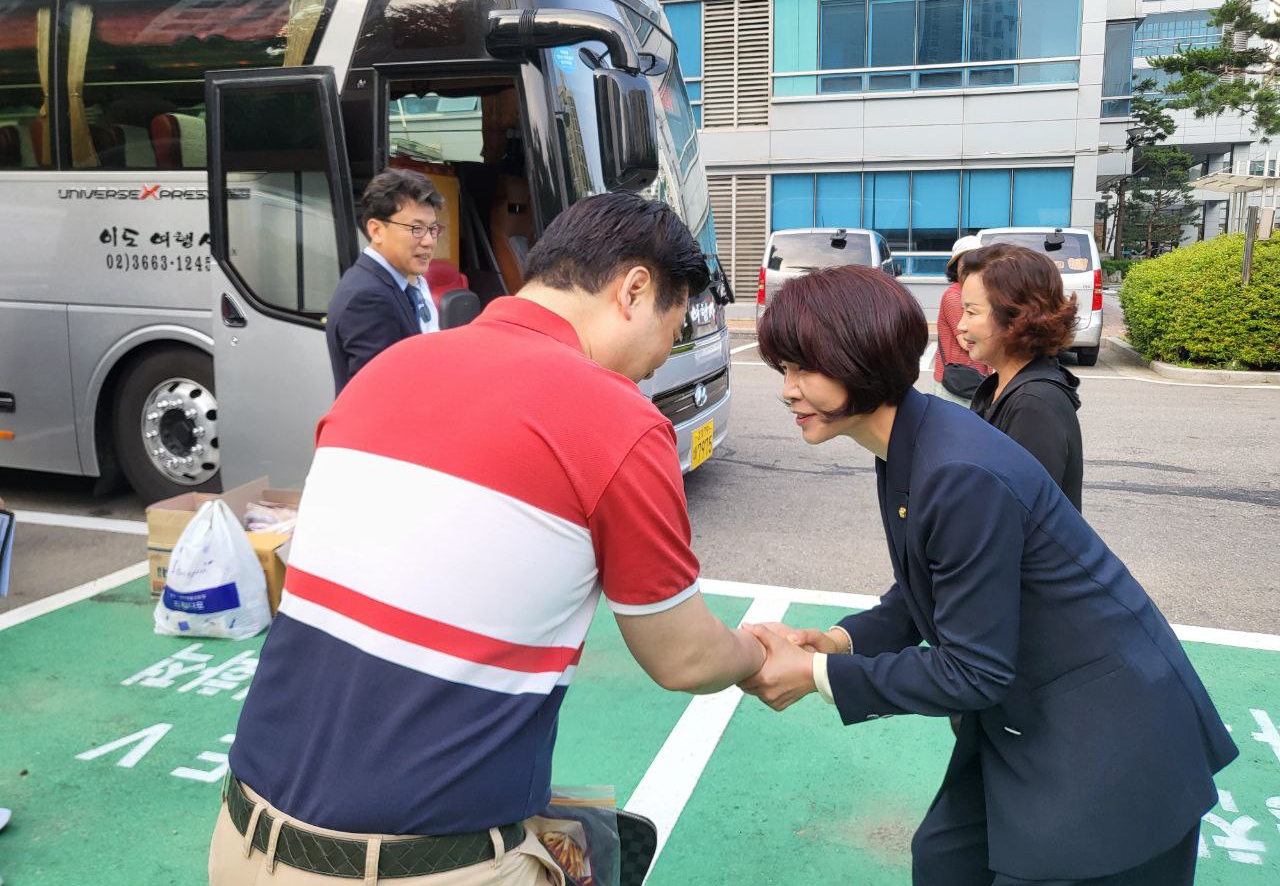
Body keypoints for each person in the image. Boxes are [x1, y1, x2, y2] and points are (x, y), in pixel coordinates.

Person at [211, 193, 765, 886]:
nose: (654, 365)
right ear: (634, 289)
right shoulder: (615, 419)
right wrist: (757, 651)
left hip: (239, 838)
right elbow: (684, 657)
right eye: (670, 333)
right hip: (422, 867)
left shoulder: (385, 371)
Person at [739, 264, 1237, 886]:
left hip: (1109, 738)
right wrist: (840, 641)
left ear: (860, 359)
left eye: (801, 369)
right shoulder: (911, 440)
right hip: (1034, 715)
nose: (787, 391)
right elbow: (927, 585)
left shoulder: (955, 469)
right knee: (943, 860)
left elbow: (973, 670)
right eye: (782, 370)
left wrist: (817, 675)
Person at [958, 243, 1084, 510]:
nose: (961, 325)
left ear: (1016, 316)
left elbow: (1017, 517)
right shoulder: (1002, 387)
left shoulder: (1033, 404)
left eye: (971, 312)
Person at [325, 169, 444, 395]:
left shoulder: (410, 283)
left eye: (433, 229)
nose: (429, 241)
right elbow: (378, 396)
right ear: (376, 230)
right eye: (416, 229)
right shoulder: (368, 298)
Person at [932, 235, 991, 407]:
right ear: (956, 267)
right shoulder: (954, 296)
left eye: (977, 261)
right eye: (966, 261)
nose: (973, 267)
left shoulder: (978, 293)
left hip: (974, 379)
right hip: (956, 383)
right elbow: (967, 341)